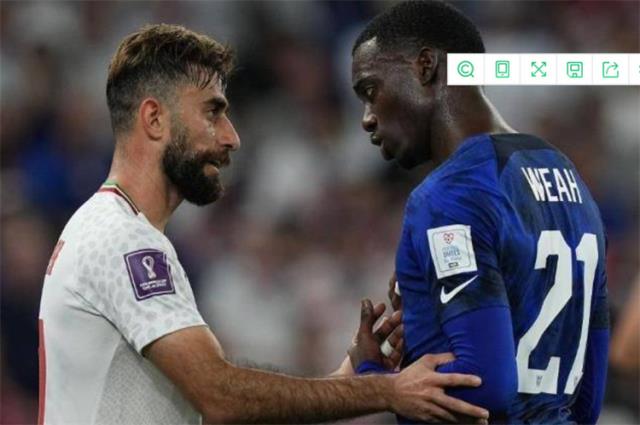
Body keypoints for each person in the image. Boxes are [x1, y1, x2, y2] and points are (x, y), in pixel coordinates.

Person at [37, 23, 491, 425]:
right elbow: (221, 396)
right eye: (212, 111)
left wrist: (349, 376)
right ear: (154, 118)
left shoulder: (112, 228)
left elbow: (216, 404)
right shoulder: (124, 240)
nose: (231, 136)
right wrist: (387, 391)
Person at [350, 1, 610, 423]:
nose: (366, 118)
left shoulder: (450, 194)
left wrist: (372, 378)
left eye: (370, 90)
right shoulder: (567, 175)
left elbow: (484, 386)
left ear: (425, 66)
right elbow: (588, 398)